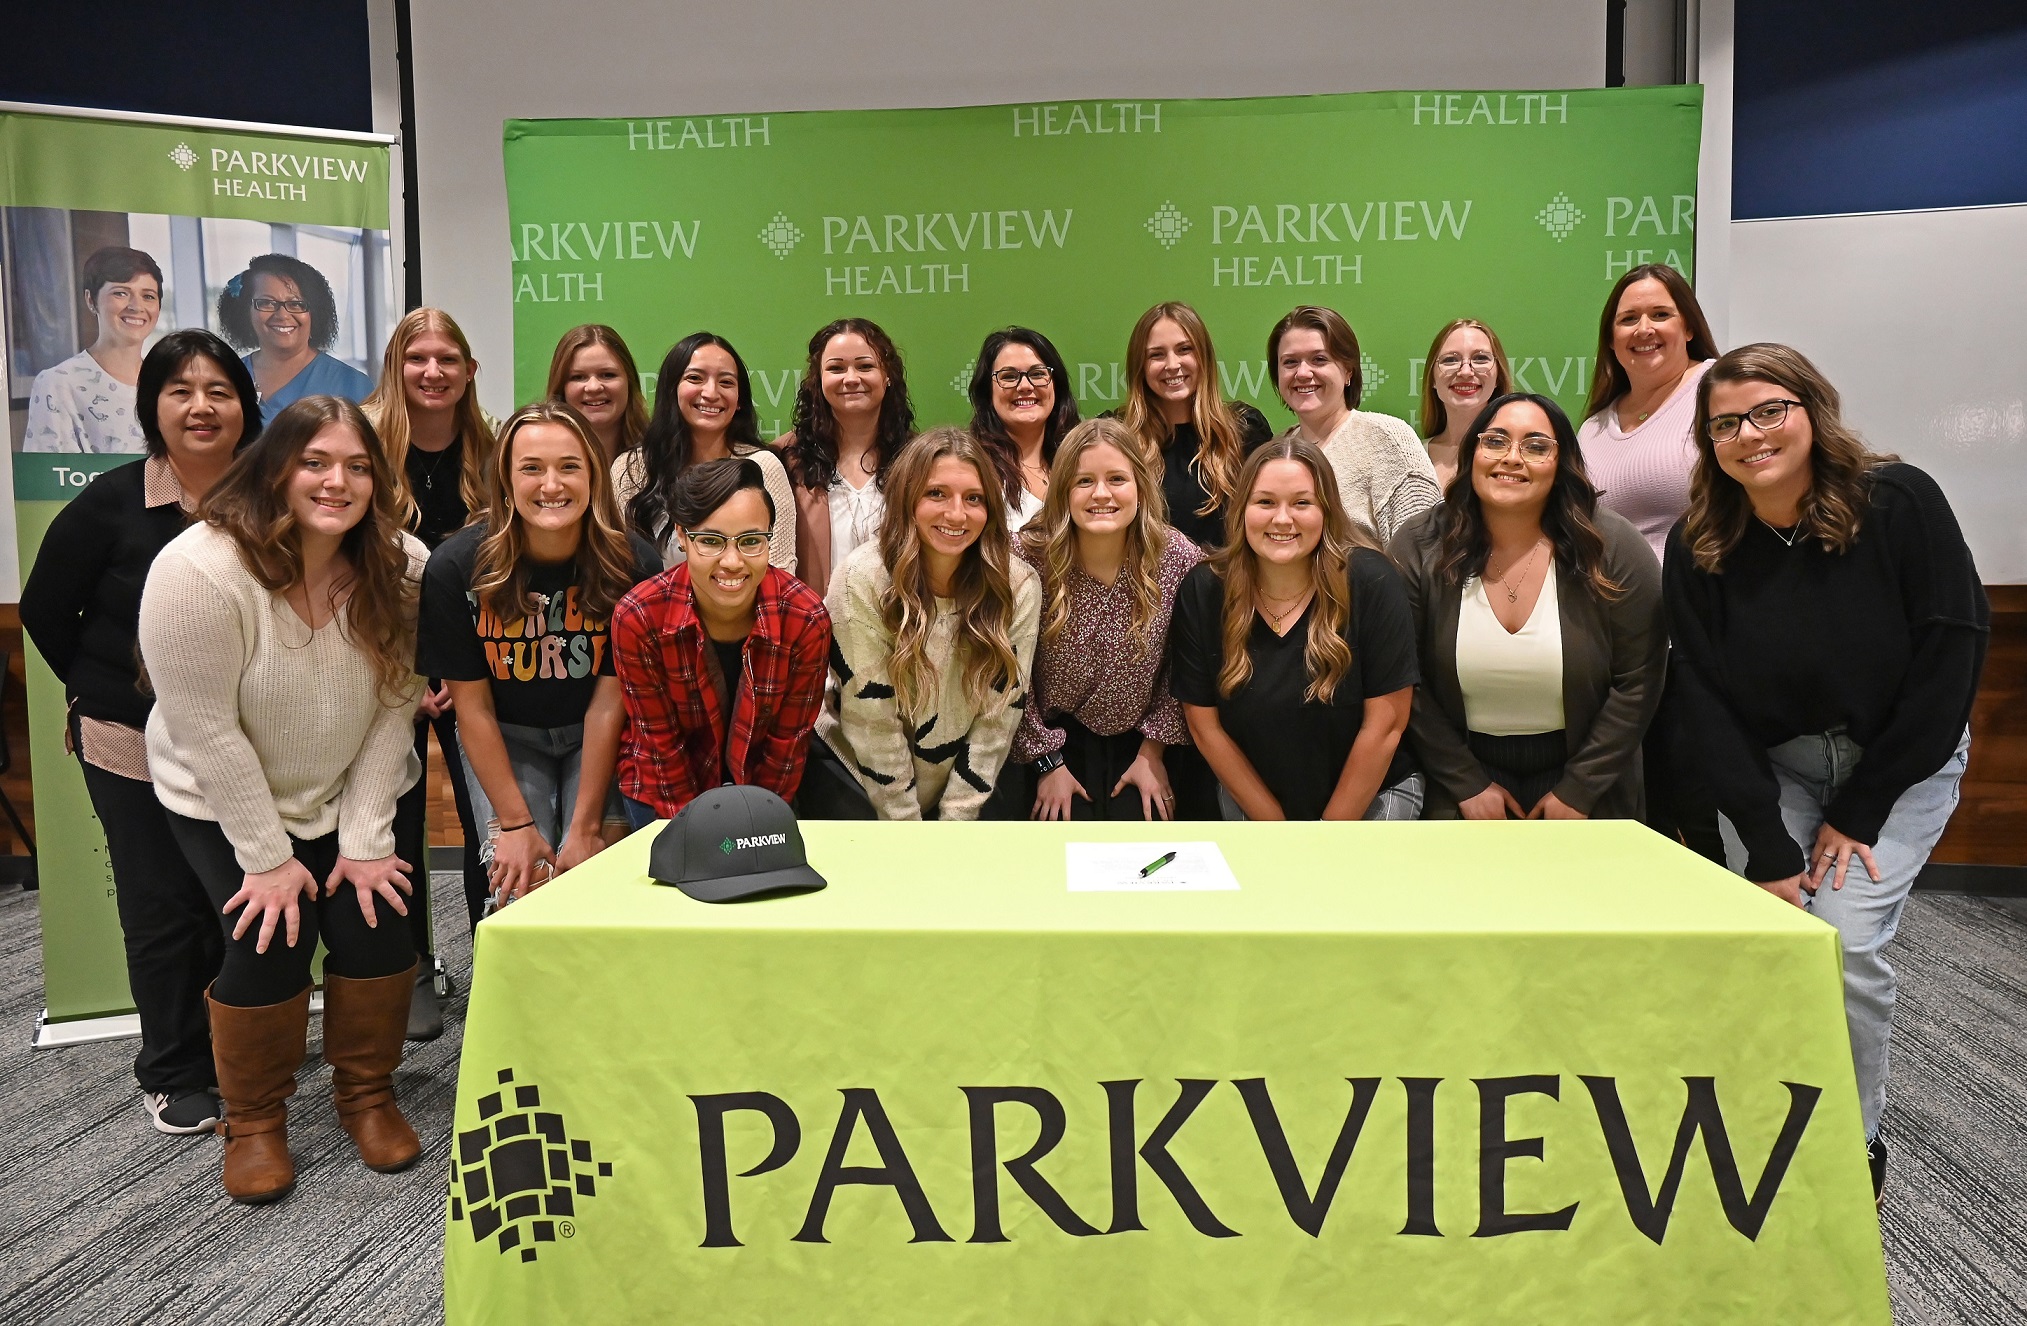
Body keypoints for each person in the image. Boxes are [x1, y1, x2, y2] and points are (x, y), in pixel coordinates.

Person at [1665, 342, 1987, 1199]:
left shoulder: (1899, 500)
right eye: (1724, 423)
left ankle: (1850, 1144)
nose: (1749, 434)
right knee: (1776, 935)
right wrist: (1767, 849)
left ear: (1811, 408)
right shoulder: (1701, 543)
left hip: (1900, 765)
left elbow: (1950, 656)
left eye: (1768, 410)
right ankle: (1770, 1118)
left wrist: (1864, 807)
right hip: (1777, 769)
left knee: (1839, 943)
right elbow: (1703, 701)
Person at [137, 395, 428, 1204]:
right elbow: (206, 730)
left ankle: (366, 1095)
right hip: (221, 792)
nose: (338, 482)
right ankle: (255, 1119)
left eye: (359, 466)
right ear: (276, 467)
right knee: (268, 935)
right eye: (316, 461)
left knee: (378, 923)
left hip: (347, 785)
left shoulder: (404, 564)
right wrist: (269, 860)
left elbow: (396, 699)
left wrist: (366, 837)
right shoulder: (196, 569)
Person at [19, 330, 259, 1135]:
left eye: (219, 389)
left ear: (246, 405)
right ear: (151, 407)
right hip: (129, 744)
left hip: (241, 745)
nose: (201, 406)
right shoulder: (112, 503)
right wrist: (108, 690)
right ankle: (172, 1067)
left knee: (234, 902)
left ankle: (241, 1055)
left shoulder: (272, 498)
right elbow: (50, 613)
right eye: (180, 391)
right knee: (162, 907)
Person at [418, 401, 660, 902]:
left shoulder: (634, 563)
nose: (552, 485)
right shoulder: (456, 568)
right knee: (518, 886)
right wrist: (514, 823)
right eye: (531, 468)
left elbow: (609, 702)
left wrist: (586, 826)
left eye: (569, 467)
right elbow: (473, 709)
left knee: (596, 882)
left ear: (594, 476)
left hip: (598, 734)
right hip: (505, 734)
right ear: (505, 481)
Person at [1390, 393, 1665, 820]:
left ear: (1562, 463)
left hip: (1588, 777)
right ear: (1473, 453)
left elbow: (1639, 679)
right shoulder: (1419, 544)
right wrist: (1465, 782)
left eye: (1536, 446)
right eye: (1496, 441)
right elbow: (1405, 677)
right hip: (1456, 775)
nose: (1511, 458)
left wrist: (1579, 791)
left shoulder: (1612, 546)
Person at [1171, 437, 1421, 821]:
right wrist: (1278, 830)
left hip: (1371, 795)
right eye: (1266, 502)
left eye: (1302, 503)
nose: (1282, 519)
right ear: (1241, 510)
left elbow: (1386, 725)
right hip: (1254, 799)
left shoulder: (1372, 581)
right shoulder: (1204, 589)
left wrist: (1323, 837)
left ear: (1327, 511)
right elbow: (1205, 726)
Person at [362, 308, 493, 1033]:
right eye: (418, 358)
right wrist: (410, 673)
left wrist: (455, 668)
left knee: (485, 825)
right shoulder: (361, 444)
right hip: (386, 671)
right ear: (396, 367)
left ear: (469, 371)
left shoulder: (495, 447)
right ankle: (407, 969)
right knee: (393, 821)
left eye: (449, 358)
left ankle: (492, 956)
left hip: (475, 669)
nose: (434, 371)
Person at [803, 427, 1042, 820]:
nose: (956, 514)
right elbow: (871, 720)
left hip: (965, 777)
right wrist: (910, 830)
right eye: (937, 494)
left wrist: (956, 820)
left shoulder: (1016, 585)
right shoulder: (860, 579)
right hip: (858, 769)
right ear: (907, 498)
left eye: (974, 499)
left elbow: (998, 720)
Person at [1577, 262, 1726, 861]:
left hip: (1697, 646)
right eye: (1628, 318)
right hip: (1618, 651)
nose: (1644, 328)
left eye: (1660, 314)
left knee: (1701, 815)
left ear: (1688, 325)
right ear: (1611, 339)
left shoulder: (1716, 389)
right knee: (1644, 815)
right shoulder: (1593, 426)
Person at [611, 458, 830, 825]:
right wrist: (697, 836)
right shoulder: (639, 617)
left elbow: (785, 750)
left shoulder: (805, 620)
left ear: (769, 537)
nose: (732, 562)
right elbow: (661, 748)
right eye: (711, 541)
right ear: (681, 535)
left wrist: (754, 832)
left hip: (762, 790)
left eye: (750, 541)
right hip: (666, 789)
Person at [1010, 419, 1204, 821]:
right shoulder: (1025, 557)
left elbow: (1185, 666)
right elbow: (1005, 669)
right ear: (1062, 490)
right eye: (1084, 481)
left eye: (1117, 478)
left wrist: (1153, 751)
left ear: (1140, 486)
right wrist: (1046, 762)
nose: (1101, 494)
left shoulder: (1177, 558)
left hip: (1142, 747)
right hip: (1044, 745)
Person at [616, 332, 796, 570]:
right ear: (672, 389)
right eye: (695, 378)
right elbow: (617, 569)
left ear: (740, 399)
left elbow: (779, 572)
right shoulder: (632, 468)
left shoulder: (763, 467)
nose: (711, 393)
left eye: (726, 382)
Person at [1268, 305, 1440, 546]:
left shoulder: (1388, 439)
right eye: (1290, 362)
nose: (1303, 373)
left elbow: (1424, 553)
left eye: (1319, 359)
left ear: (1348, 370)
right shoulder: (1276, 450)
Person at [1115, 301, 1272, 550]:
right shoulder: (1117, 435)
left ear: (1204, 357)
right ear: (1140, 366)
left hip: (1225, 584)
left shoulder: (1245, 428)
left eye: (1184, 349)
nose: (1172, 364)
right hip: (1145, 586)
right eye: (1156, 354)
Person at [779, 318, 916, 596]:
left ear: (888, 375)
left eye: (865, 366)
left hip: (901, 630)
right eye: (836, 368)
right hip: (814, 631)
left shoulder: (919, 458)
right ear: (818, 379)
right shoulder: (782, 461)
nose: (851, 378)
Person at [23, 246, 163, 454]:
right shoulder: (58, 383)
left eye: (148, 296)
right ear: (91, 300)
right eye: (121, 293)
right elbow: (49, 478)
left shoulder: (165, 382)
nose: (136, 306)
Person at [217, 254, 373, 424]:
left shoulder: (352, 384)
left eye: (296, 304)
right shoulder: (227, 377)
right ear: (245, 310)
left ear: (315, 313)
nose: (282, 315)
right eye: (267, 303)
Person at [967, 327, 1080, 531]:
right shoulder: (971, 467)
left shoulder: (1081, 460)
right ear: (988, 391)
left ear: (1056, 385)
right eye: (1009, 376)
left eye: (1037, 374)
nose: (1025, 386)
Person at [1418, 319, 1513, 489]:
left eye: (1480, 358)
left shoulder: (1516, 455)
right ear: (1432, 378)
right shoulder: (1413, 456)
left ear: (1498, 375)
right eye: (1450, 360)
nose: (1466, 372)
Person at [546, 324, 648, 464]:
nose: (593, 387)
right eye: (578, 377)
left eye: (607, 375)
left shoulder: (663, 457)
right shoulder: (540, 461)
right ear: (561, 387)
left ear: (629, 381)